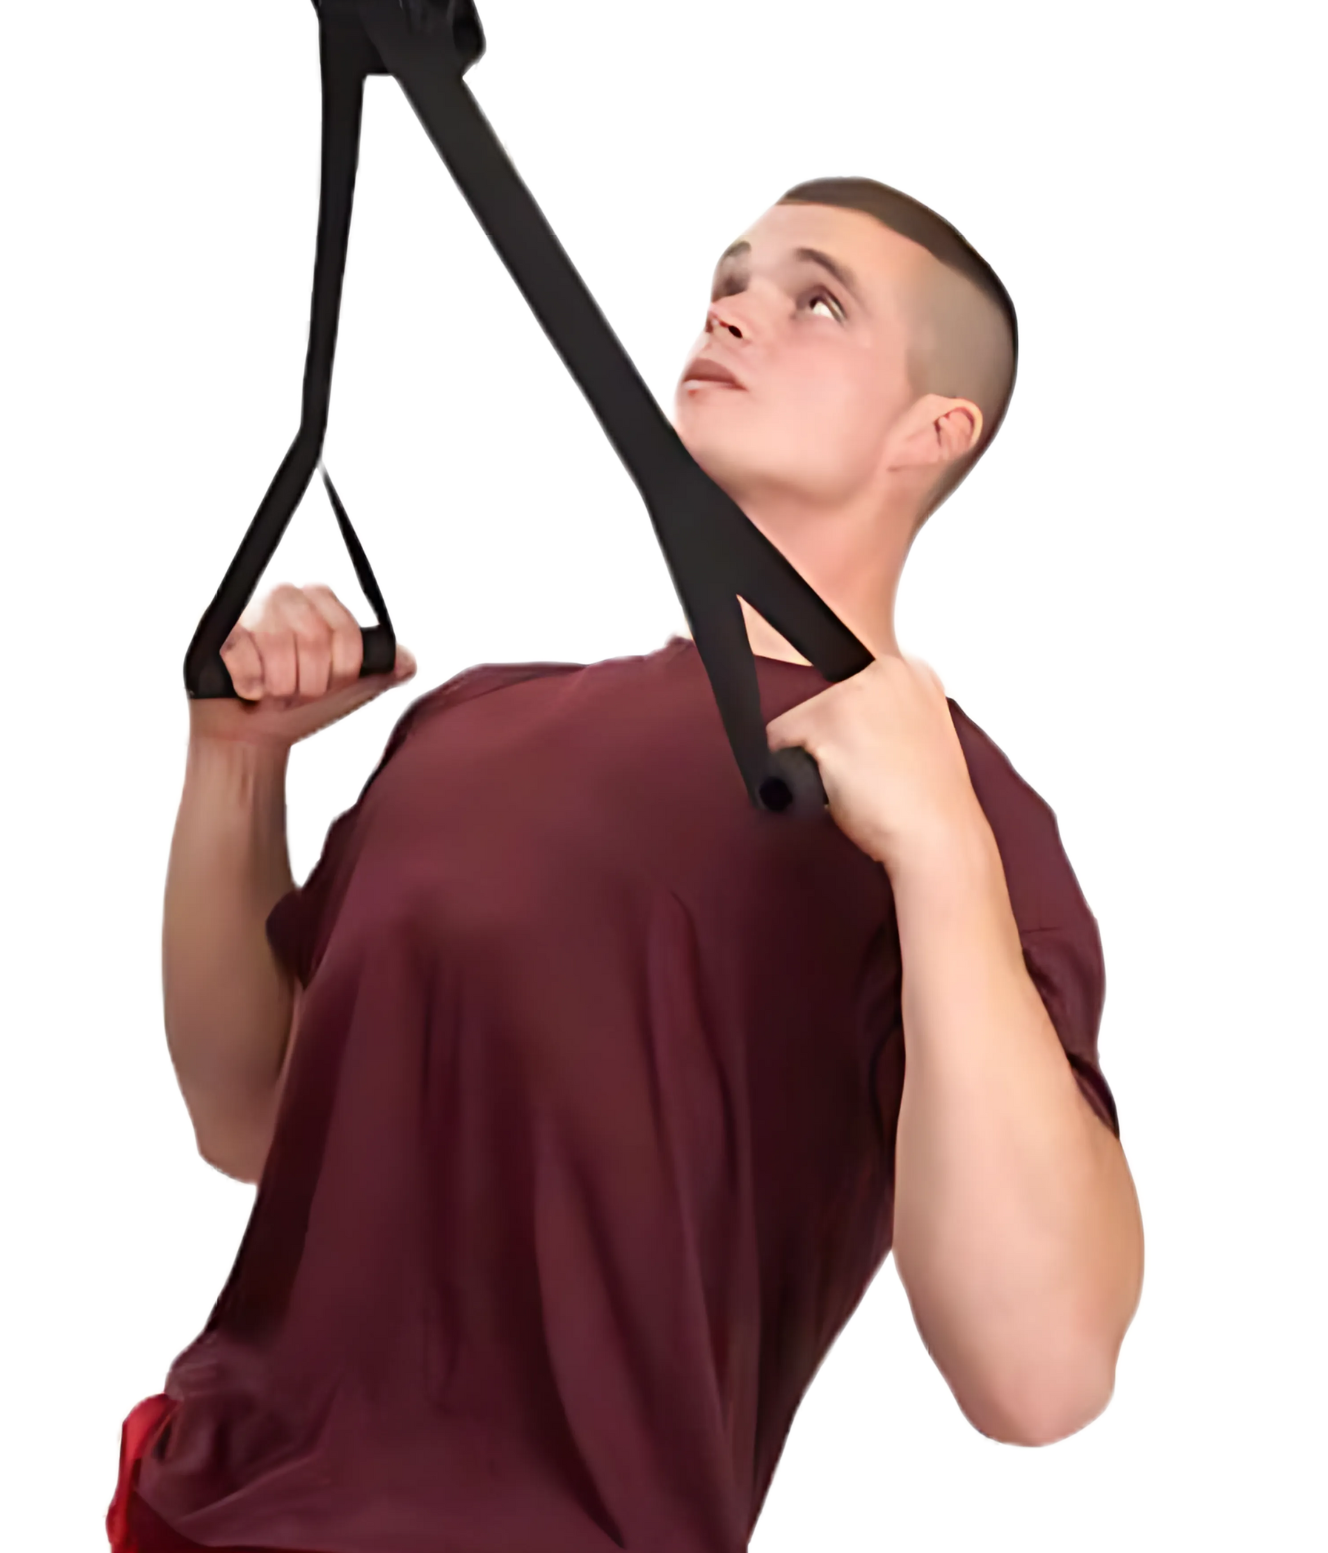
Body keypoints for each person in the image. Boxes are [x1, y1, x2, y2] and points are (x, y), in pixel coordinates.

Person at [110, 173, 1139, 1552]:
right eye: (731, 277)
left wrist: (942, 848)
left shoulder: (969, 817)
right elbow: (251, 1122)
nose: (735, 311)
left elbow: (1041, 1378)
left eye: (815, 300)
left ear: (932, 431)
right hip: (210, 1512)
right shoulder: (477, 718)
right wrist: (235, 768)